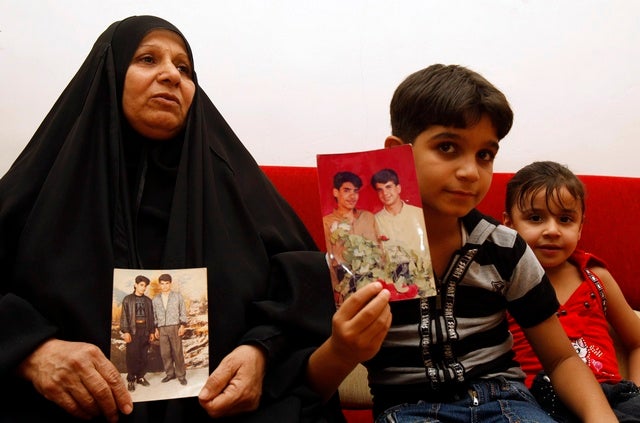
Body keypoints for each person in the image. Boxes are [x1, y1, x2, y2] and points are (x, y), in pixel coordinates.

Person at [0, 15, 345, 422]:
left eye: (184, 68)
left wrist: (261, 351)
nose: (171, 75)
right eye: (148, 59)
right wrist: (33, 352)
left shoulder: (232, 183)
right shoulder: (46, 182)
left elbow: (308, 285)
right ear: (110, 73)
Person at [307, 64, 618, 422]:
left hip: (505, 402)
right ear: (398, 152)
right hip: (409, 409)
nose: (470, 171)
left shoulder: (505, 248)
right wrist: (342, 350)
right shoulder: (354, 256)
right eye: (447, 147)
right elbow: (309, 390)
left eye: (485, 154)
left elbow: (561, 358)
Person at [503, 160, 640, 422]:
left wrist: (636, 391)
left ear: (580, 227)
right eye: (535, 218)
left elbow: (637, 341)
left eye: (565, 219)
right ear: (509, 225)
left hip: (612, 394)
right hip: (537, 400)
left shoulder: (596, 277)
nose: (552, 230)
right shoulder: (502, 280)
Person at [323, 171, 380, 301]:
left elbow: (380, 250)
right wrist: (336, 290)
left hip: (374, 280)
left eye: (356, 191)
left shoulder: (368, 217)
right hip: (345, 285)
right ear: (335, 192)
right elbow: (329, 261)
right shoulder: (327, 222)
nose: (352, 196)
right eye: (347, 190)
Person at [120, 275, 155, 392]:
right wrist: (126, 332)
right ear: (135, 285)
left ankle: (140, 377)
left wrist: (152, 332)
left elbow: (151, 317)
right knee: (132, 356)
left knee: (144, 355)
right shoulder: (127, 299)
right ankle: (131, 379)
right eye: (141, 285)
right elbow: (124, 317)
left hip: (145, 330)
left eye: (145, 286)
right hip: (133, 331)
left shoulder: (148, 301)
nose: (144, 288)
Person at [152, 273, 188, 386]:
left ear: (170, 284)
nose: (164, 286)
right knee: (165, 353)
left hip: (175, 327)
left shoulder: (178, 296)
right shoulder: (155, 299)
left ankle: (181, 375)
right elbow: (154, 315)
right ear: (160, 285)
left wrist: (182, 325)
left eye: (166, 283)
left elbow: (183, 311)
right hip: (161, 328)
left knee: (177, 352)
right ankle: (170, 374)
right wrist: (155, 328)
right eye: (162, 284)